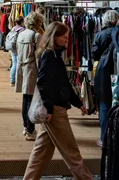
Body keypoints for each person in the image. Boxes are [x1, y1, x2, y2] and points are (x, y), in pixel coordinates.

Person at [23, 22, 93, 180]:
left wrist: (78, 103)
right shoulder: (50, 55)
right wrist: (49, 108)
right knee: (72, 153)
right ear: (54, 37)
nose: (67, 40)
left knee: (41, 153)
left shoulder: (54, 54)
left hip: (54, 109)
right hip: (55, 111)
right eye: (64, 37)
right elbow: (44, 82)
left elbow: (63, 83)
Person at [91, 9, 119, 147]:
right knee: (118, 103)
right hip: (118, 70)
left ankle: (104, 138)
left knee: (104, 105)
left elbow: (94, 54)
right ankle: (116, 138)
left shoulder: (100, 34)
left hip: (103, 71)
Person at [16, 11, 43, 140]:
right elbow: (38, 57)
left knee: (25, 98)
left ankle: (26, 127)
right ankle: (30, 129)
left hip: (22, 67)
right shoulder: (36, 36)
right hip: (32, 69)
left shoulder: (21, 34)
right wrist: (41, 73)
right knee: (31, 100)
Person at [6, 16, 25, 87]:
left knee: (14, 64)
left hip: (12, 48)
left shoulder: (13, 28)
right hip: (19, 48)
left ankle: (12, 80)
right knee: (18, 64)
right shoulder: (22, 30)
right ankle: (18, 80)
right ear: (22, 22)